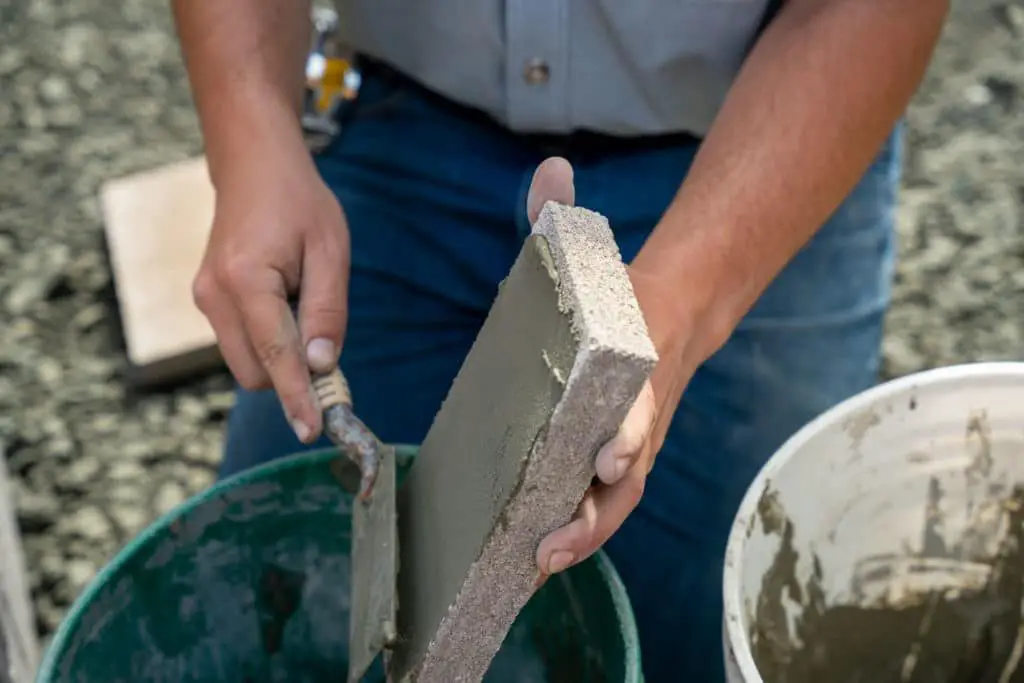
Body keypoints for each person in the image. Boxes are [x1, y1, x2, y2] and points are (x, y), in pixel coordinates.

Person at [171, 1, 948, 679]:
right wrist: (250, 133)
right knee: (274, 595)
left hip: (760, 128)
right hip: (399, 115)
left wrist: (676, 315)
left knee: (727, 619)